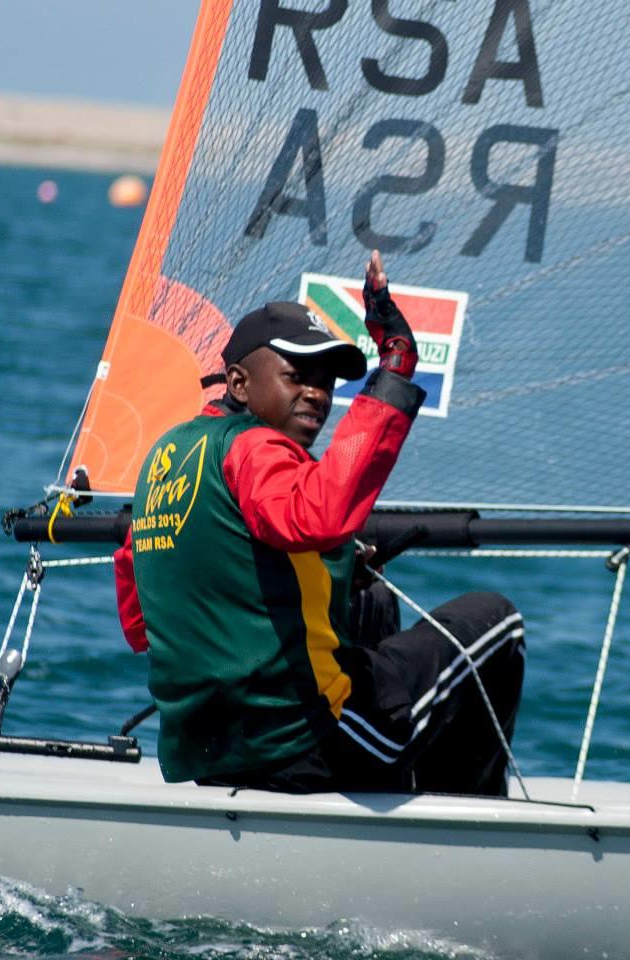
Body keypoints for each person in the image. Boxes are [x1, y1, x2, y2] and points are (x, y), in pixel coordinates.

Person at [118, 251, 525, 795]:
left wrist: (315, 573)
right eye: (296, 376)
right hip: (306, 741)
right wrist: (397, 363)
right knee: (495, 620)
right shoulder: (256, 448)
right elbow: (319, 516)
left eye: (326, 381)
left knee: (370, 601)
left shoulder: (164, 458)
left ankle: (392, 791)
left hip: (211, 750)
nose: (317, 393)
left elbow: (142, 622)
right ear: (239, 384)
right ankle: (466, 831)